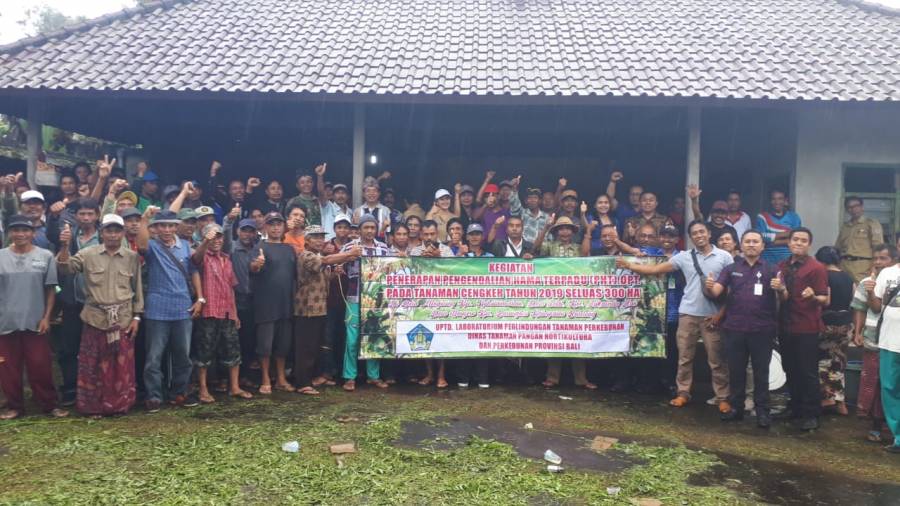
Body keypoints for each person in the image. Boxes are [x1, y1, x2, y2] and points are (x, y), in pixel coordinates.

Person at [616, 220, 733, 411]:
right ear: (690, 237)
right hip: (687, 313)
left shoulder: (725, 256)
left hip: (712, 315)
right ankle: (683, 393)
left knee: (717, 359)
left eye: (702, 231)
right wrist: (629, 265)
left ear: (709, 233)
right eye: (694, 233)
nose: (699, 235)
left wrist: (721, 314)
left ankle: (722, 397)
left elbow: (732, 288)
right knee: (684, 358)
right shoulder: (684, 257)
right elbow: (654, 269)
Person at [57, 214, 143, 416]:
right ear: (101, 233)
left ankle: (119, 405)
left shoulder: (131, 257)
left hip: (122, 319)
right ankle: (93, 406)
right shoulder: (88, 254)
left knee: (120, 365)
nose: (113, 235)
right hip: (95, 318)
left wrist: (137, 317)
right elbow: (65, 268)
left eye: (117, 231)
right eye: (108, 231)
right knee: (93, 366)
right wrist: (64, 246)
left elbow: (137, 288)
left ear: (123, 233)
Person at [706, 230, 782, 428]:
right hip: (735, 328)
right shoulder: (731, 269)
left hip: (762, 329)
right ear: (741, 245)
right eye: (747, 241)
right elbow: (716, 292)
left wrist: (781, 289)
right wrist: (709, 286)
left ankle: (763, 412)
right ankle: (736, 409)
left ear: (762, 246)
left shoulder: (772, 269)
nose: (751, 245)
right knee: (736, 372)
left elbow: (785, 297)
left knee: (761, 373)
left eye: (755, 242)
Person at [0, 215, 68, 420]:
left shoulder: (45, 256)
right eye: (16, 230)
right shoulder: (1, 256)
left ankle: (49, 405)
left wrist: (47, 317)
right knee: (8, 368)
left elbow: (51, 289)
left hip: (36, 321)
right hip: (6, 321)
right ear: (9, 233)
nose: (20, 234)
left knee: (40, 366)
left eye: (25, 230)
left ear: (33, 233)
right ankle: (15, 407)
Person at [136, 209, 204, 412]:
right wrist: (145, 219)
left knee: (183, 355)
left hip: (183, 307)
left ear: (176, 226)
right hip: (157, 309)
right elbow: (141, 245)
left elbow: (194, 270)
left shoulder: (185, 246)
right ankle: (154, 396)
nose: (166, 229)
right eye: (162, 225)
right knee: (154, 357)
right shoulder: (152, 246)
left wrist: (200, 298)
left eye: (171, 225)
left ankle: (179, 393)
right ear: (155, 228)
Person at [293, 225, 361, 395]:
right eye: (315, 237)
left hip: (320, 308)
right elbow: (325, 260)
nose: (319, 240)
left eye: (321, 237)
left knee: (316, 346)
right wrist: (349, 254)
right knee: (306, 347)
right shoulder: (306, 255)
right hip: (307, 308)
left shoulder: (316, 255)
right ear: (307, 240)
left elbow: (321, 278)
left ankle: (310, 379)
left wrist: (333, 274)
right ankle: (302, 383)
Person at [190, 223, 251, 404]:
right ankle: (203, 389)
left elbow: (231, 287)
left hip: (226, 311)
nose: (216, 240)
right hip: (209, 311)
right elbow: (195, 260)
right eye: (213, 237)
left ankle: (235, 387)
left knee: (233, 350)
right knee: (204, 352)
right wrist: (205, 242)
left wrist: (235, 313)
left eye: (219, 237)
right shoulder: (202, 256)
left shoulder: (226, 259)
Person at [535, 216, 597, 390]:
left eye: (568, 228)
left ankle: (581, 379)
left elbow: (585, 255)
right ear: (556, 232)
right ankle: (552, 378)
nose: (564, 231)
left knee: (577, 338)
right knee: (555, 338)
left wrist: (588, 231)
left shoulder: (577, 247)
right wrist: (546, 227)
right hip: (553, 298)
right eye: (561, 228)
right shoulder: (550, 246)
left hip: (575, 298)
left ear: (572, 231)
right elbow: (536, 248)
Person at [777, 227, 829, 431]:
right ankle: (795, 407)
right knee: (790, 368)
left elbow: (824, 298)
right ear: (789, 242)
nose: (799, 243)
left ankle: (812, 413)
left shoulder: (817, 268)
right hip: (785, 324)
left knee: (808, 371)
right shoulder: (782, 266)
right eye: (795, 239)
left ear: (809, 245)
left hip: (807, 326)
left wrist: (813, 296)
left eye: (803, 240)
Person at [340, 215, 391, 391]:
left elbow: (391, 269)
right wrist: (347, 258)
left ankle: (373, 376)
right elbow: (337, 266)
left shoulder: (383, 248)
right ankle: (349, 377)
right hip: (354, 298)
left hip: (376, 300)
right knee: (352, 340)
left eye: (372, 227)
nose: (369, 231)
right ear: (360, 229)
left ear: (376, 229)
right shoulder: (350, 247)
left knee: (374, 337)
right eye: (366, 227)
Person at [851, 244, 895, 443]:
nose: (878, 262)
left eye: (883, 258)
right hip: (873, 340)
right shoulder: (866, 283)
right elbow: (859, 308)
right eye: (875, 258)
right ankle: (876, 425)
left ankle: (890, 425)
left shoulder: (894, 281)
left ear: (893, 261)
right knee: (873, 383)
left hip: (894, 343)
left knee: (890, 384)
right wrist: (857, 332)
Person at [250, 212, 297, 395]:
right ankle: (265, 379)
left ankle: (281, 379)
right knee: (265, 346)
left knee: (283, 345)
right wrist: (257, 264)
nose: (276, 227)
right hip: (266, 305)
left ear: (284, 227)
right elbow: (253, 268)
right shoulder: (259, 247)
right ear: (265, 227)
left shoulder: (289, 249)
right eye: (272, 224)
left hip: (286, 304)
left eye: (279, 224)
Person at [814, 246, 855, 416]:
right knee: (839, 362)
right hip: (845, 323)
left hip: (828, 323)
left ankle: (827, 399)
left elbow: (826, 301)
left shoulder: (824, 276)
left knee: (823, 362)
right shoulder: (848, 277)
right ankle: (841, 402)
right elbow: (852, 301)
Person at [314, 213, 354, 387]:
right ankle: (326, 372)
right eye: (339, 227)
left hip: (349, 299)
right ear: (334, 229)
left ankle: (343, 373)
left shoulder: (355, 246)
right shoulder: (326, 247)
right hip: (329, 298)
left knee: (344, 337)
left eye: (345, 227)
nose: (342, 230)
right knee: (327, 337)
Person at [872, 245, 900, 453]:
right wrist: (868, 290)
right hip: (890, 340)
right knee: (889, 389)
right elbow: (876, 306)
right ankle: (898, 438)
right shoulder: (887, 273)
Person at [228, 218, 260, 384]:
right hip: (234, 298)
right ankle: (228, 378)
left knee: (249, 340)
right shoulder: (232, 248)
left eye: (251, 231)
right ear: (237, 231)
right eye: (244, 230)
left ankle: (245, 376)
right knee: (233, 340)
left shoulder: (258, 250)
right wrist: (228, 221)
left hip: (253, 300)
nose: (247, 234)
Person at [836, 197, 884, 282]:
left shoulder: (871, 224)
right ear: (846, 210)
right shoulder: (845, 226)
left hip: (863, 266)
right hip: (844, 265)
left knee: (861, 289)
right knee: (844, 288)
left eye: (856, 206)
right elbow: (838, 247)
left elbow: (878, 247)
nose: (853, 209)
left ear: (862, 207)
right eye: (849, 207)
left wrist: (874, 267)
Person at [758, 189, 801, 265]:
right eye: (773, 199)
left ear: (785, 201)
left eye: (780, 198)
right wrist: (787, 234)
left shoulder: (794, 217)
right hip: (767, 260)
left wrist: (771, 242)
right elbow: (760, 237)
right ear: (770, 201)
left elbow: (796, 238)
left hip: (788, 260)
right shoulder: (762, 217)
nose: (777, 202)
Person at [353, 177, 392, 242]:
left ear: (379, 193)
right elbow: (355, 232)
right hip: (361, 245)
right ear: (363, 194)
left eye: (374, 191)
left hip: (381, 244)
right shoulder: (358, 211)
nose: (371, 193)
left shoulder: (386, 210)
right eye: (368, 191)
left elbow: (388, 233)